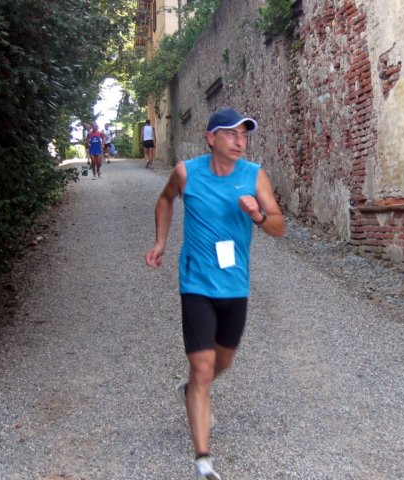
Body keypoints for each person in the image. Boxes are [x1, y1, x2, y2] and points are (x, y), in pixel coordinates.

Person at [145, 108, 285, 480]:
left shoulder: (254, 176)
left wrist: (257, 215)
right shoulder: (186, 173)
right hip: (196, 283)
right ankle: (203, 461)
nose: (239, 141)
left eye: (244, 135)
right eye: (230, 134)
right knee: (203, 366)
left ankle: (192, 389)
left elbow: (279, 227)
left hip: (235, 285)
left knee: (222, 363)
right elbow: (165, 200)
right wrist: (160, 242)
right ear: (210, 138)